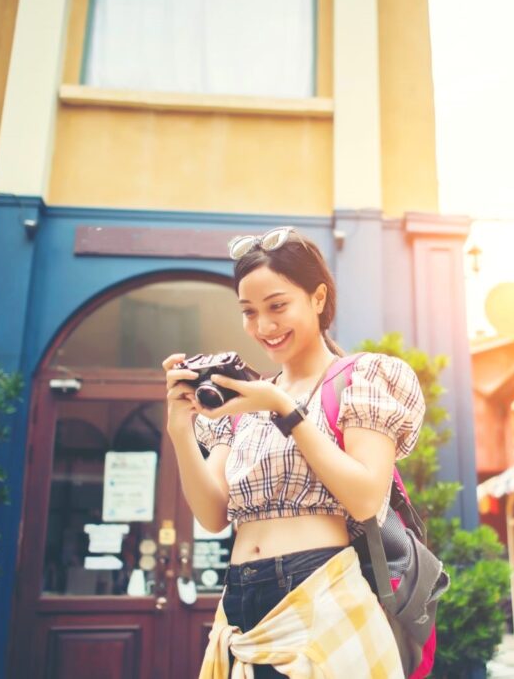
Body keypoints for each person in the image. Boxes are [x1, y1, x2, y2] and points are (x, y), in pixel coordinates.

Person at [163, 226, 426, 678]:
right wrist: (180, 428)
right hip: (239, 607)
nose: (263, 327)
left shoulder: (360, 379)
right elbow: (212, 514)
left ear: (318, 298)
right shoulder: (245, 403)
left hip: (320, 591)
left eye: (277, 306)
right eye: (249, 312)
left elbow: (366, 499)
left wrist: (285, 409)